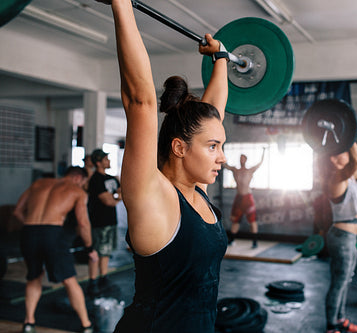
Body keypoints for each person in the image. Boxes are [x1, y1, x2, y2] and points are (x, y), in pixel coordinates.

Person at [94, 0, 228, 331]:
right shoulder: (154, 196)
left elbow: (211, 116)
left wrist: (221, 58)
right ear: (179, 148)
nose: (221, 157)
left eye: (220, 146)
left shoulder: (198, 191)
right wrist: (122, 5)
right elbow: (140, 102)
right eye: (214, 148)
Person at [12, 166, 98, 333]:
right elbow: (83, 223)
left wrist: (34, 228)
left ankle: (29, 323)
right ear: (78, 178)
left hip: (29, 232)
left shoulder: (38, 183)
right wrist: (89, 248)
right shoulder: (77, 191)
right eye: (83, 183)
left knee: (34, 277)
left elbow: (17, 212)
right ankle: (86, 325)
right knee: (69, 279)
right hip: (54, 233)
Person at [313, 136, 357, 333]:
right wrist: (351, 137)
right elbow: (356, 162)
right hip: (341, 238)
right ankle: (331, 326)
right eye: (343, 151)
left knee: (345, 281)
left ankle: (340, 320)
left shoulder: (350, 177)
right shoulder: (337, 178)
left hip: (349, 238)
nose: (347, 153)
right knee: (338, 283)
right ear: (334, 159)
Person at [86, 148, 122, 295]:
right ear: (99, 163)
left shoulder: (112, 178)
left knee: (106, 252)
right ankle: (92, 281)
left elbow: (121, 192)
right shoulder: (95, 180)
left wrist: (115, 196)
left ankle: (103, 278)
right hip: (99, 222)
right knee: (96, 252)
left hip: (111, 220)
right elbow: (109, 202)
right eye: (106, 159)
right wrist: (116, 197)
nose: (109, 161)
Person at [224, 149, 265, 248]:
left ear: (246, 160)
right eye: (240, 159)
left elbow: (260, 163)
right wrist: (220, 150)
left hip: (248, 198)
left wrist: (264, 151)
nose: (241, 160)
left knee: (252, 220)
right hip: (239, 198)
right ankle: (232, 239)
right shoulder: (235, 170)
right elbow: (224, 164)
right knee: (235, 220)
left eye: (243, 159)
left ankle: (255, 242)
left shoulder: (250, 170)